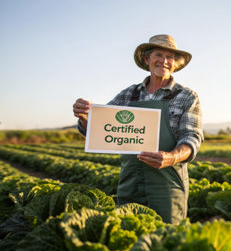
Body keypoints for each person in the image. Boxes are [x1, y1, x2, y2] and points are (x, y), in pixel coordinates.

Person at [72, 34, 203, 224]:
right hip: (129, 183)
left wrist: (171, 157)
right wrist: (85, 117)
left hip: (166, 186)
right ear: (147, 59)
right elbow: (97, 128)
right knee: (128, 236)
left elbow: (192, 137)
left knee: (166, 240)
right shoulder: (128, 94)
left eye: (170, 57)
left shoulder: (186, 96)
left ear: (175, 63)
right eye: (159, 54)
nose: (164, 61)